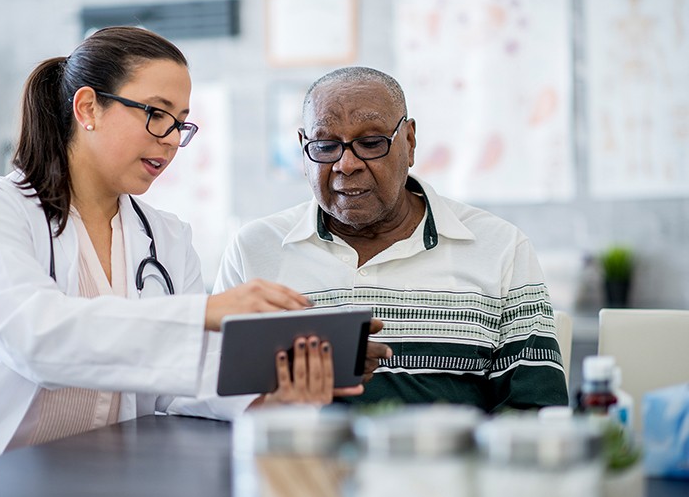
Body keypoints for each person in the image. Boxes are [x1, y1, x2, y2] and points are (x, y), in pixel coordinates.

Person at [0, 27, 352, 474]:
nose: (169, 138)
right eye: (155, 113)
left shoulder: (166, 237)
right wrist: (204, 312)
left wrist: (271, 391)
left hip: (99, 476)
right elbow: (36, 338)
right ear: (88, 107)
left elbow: (180, 378)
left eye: (180, 122)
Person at [181, 66, 568, 418]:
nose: (346, 164)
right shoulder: (255, 250)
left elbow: (534, 410)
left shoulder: (498, 246)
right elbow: (207, 393)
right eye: (326, 145)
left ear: (410, 141)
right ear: (303, 149)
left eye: (370, 143)